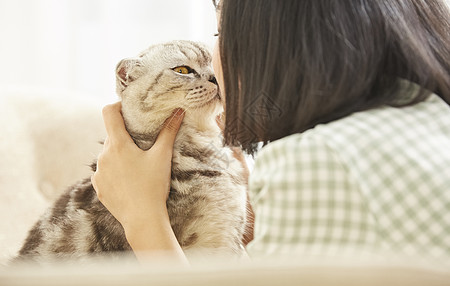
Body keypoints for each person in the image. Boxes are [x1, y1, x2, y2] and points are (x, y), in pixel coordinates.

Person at [91, 0, 450, 264]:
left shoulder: (319, 159)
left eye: (220, 32)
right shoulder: (429, 121)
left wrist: (142, 217)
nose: (214, 71)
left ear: (276, 44)